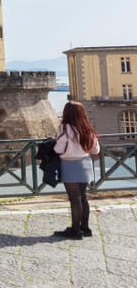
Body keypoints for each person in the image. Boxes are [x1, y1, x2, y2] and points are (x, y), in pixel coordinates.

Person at [53, 101, 100, 239]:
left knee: (75, 199)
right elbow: (96, 149)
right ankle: (85, 228)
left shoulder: (65, 129)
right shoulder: (87, 129)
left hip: (69, 165)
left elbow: (58, 149)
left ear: (66, 113)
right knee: (83, 197)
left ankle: (75, 230)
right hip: (85, 164)